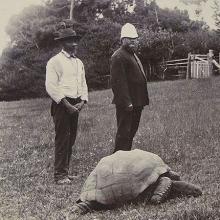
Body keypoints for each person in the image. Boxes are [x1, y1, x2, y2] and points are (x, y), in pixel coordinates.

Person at [70, 149, 202, 215]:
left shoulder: (158, 165)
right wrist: (157, 197)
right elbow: (166, 182)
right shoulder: (166, 179)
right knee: (95, 203)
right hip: (109, 178)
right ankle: (86, 204)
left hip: (115, 171)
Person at [45, 27, 88, 185]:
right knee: (62, 139)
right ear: (62, 43)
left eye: (76, 40)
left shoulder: (78, 62)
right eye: (70, 40)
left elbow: (83, 83)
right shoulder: (55, 62)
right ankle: (60, 175)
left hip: (76, 104)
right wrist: (66, 104)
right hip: (62, 104)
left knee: (71, 138)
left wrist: (83, 101)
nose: (74, 43)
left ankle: (66, 171)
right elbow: (51, 86)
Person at [110, 23, 149, 153]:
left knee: (131, 132)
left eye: (135, 39)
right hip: (127, 104)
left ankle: (125, 158)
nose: (133, 42)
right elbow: (118, 83)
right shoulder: (118, 56)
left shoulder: (132, 54)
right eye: (129, 39)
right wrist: (127, 103)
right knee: (124, 133)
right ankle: (117, 161)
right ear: (122, 40)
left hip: (137, 102)